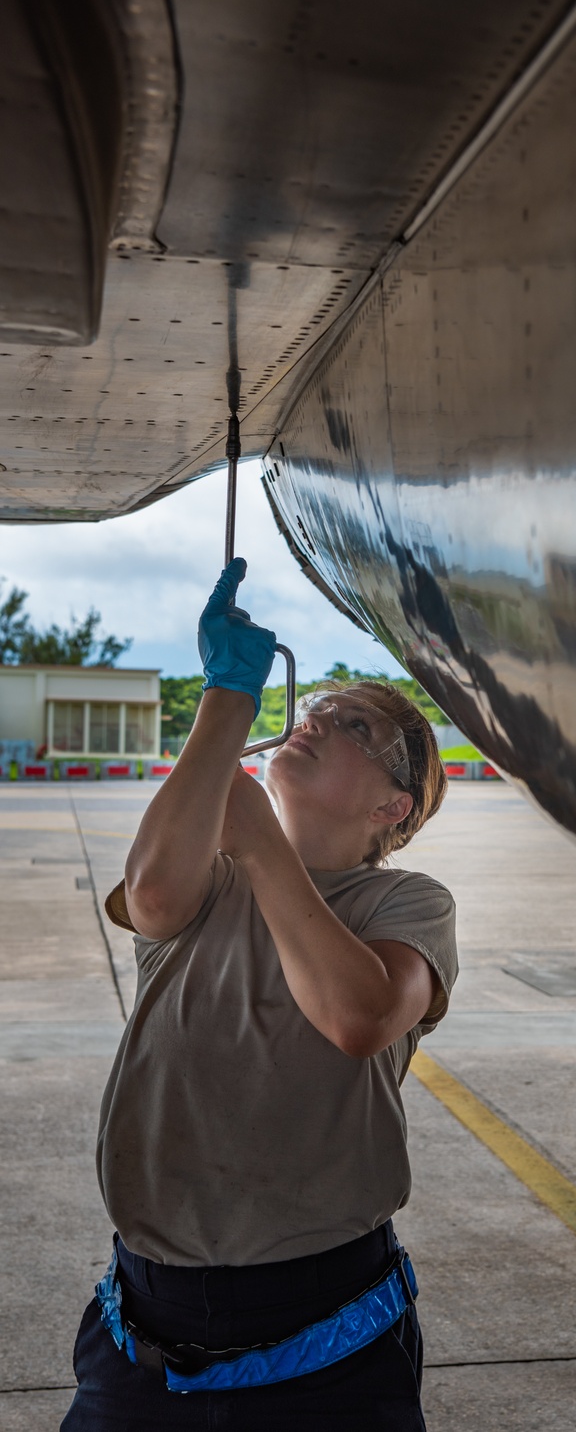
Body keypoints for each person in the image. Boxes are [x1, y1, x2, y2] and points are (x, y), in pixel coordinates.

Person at [62, 559, 456, 1430]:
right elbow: (156, 900)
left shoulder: (405, 903)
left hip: (328, 1332)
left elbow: (357, 1017)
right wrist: (225, 696)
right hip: (146, 1321)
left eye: (352, 724)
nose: (315, 721)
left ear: (394, 807)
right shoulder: (209, 869)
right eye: (315, 707)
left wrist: (261, 842)